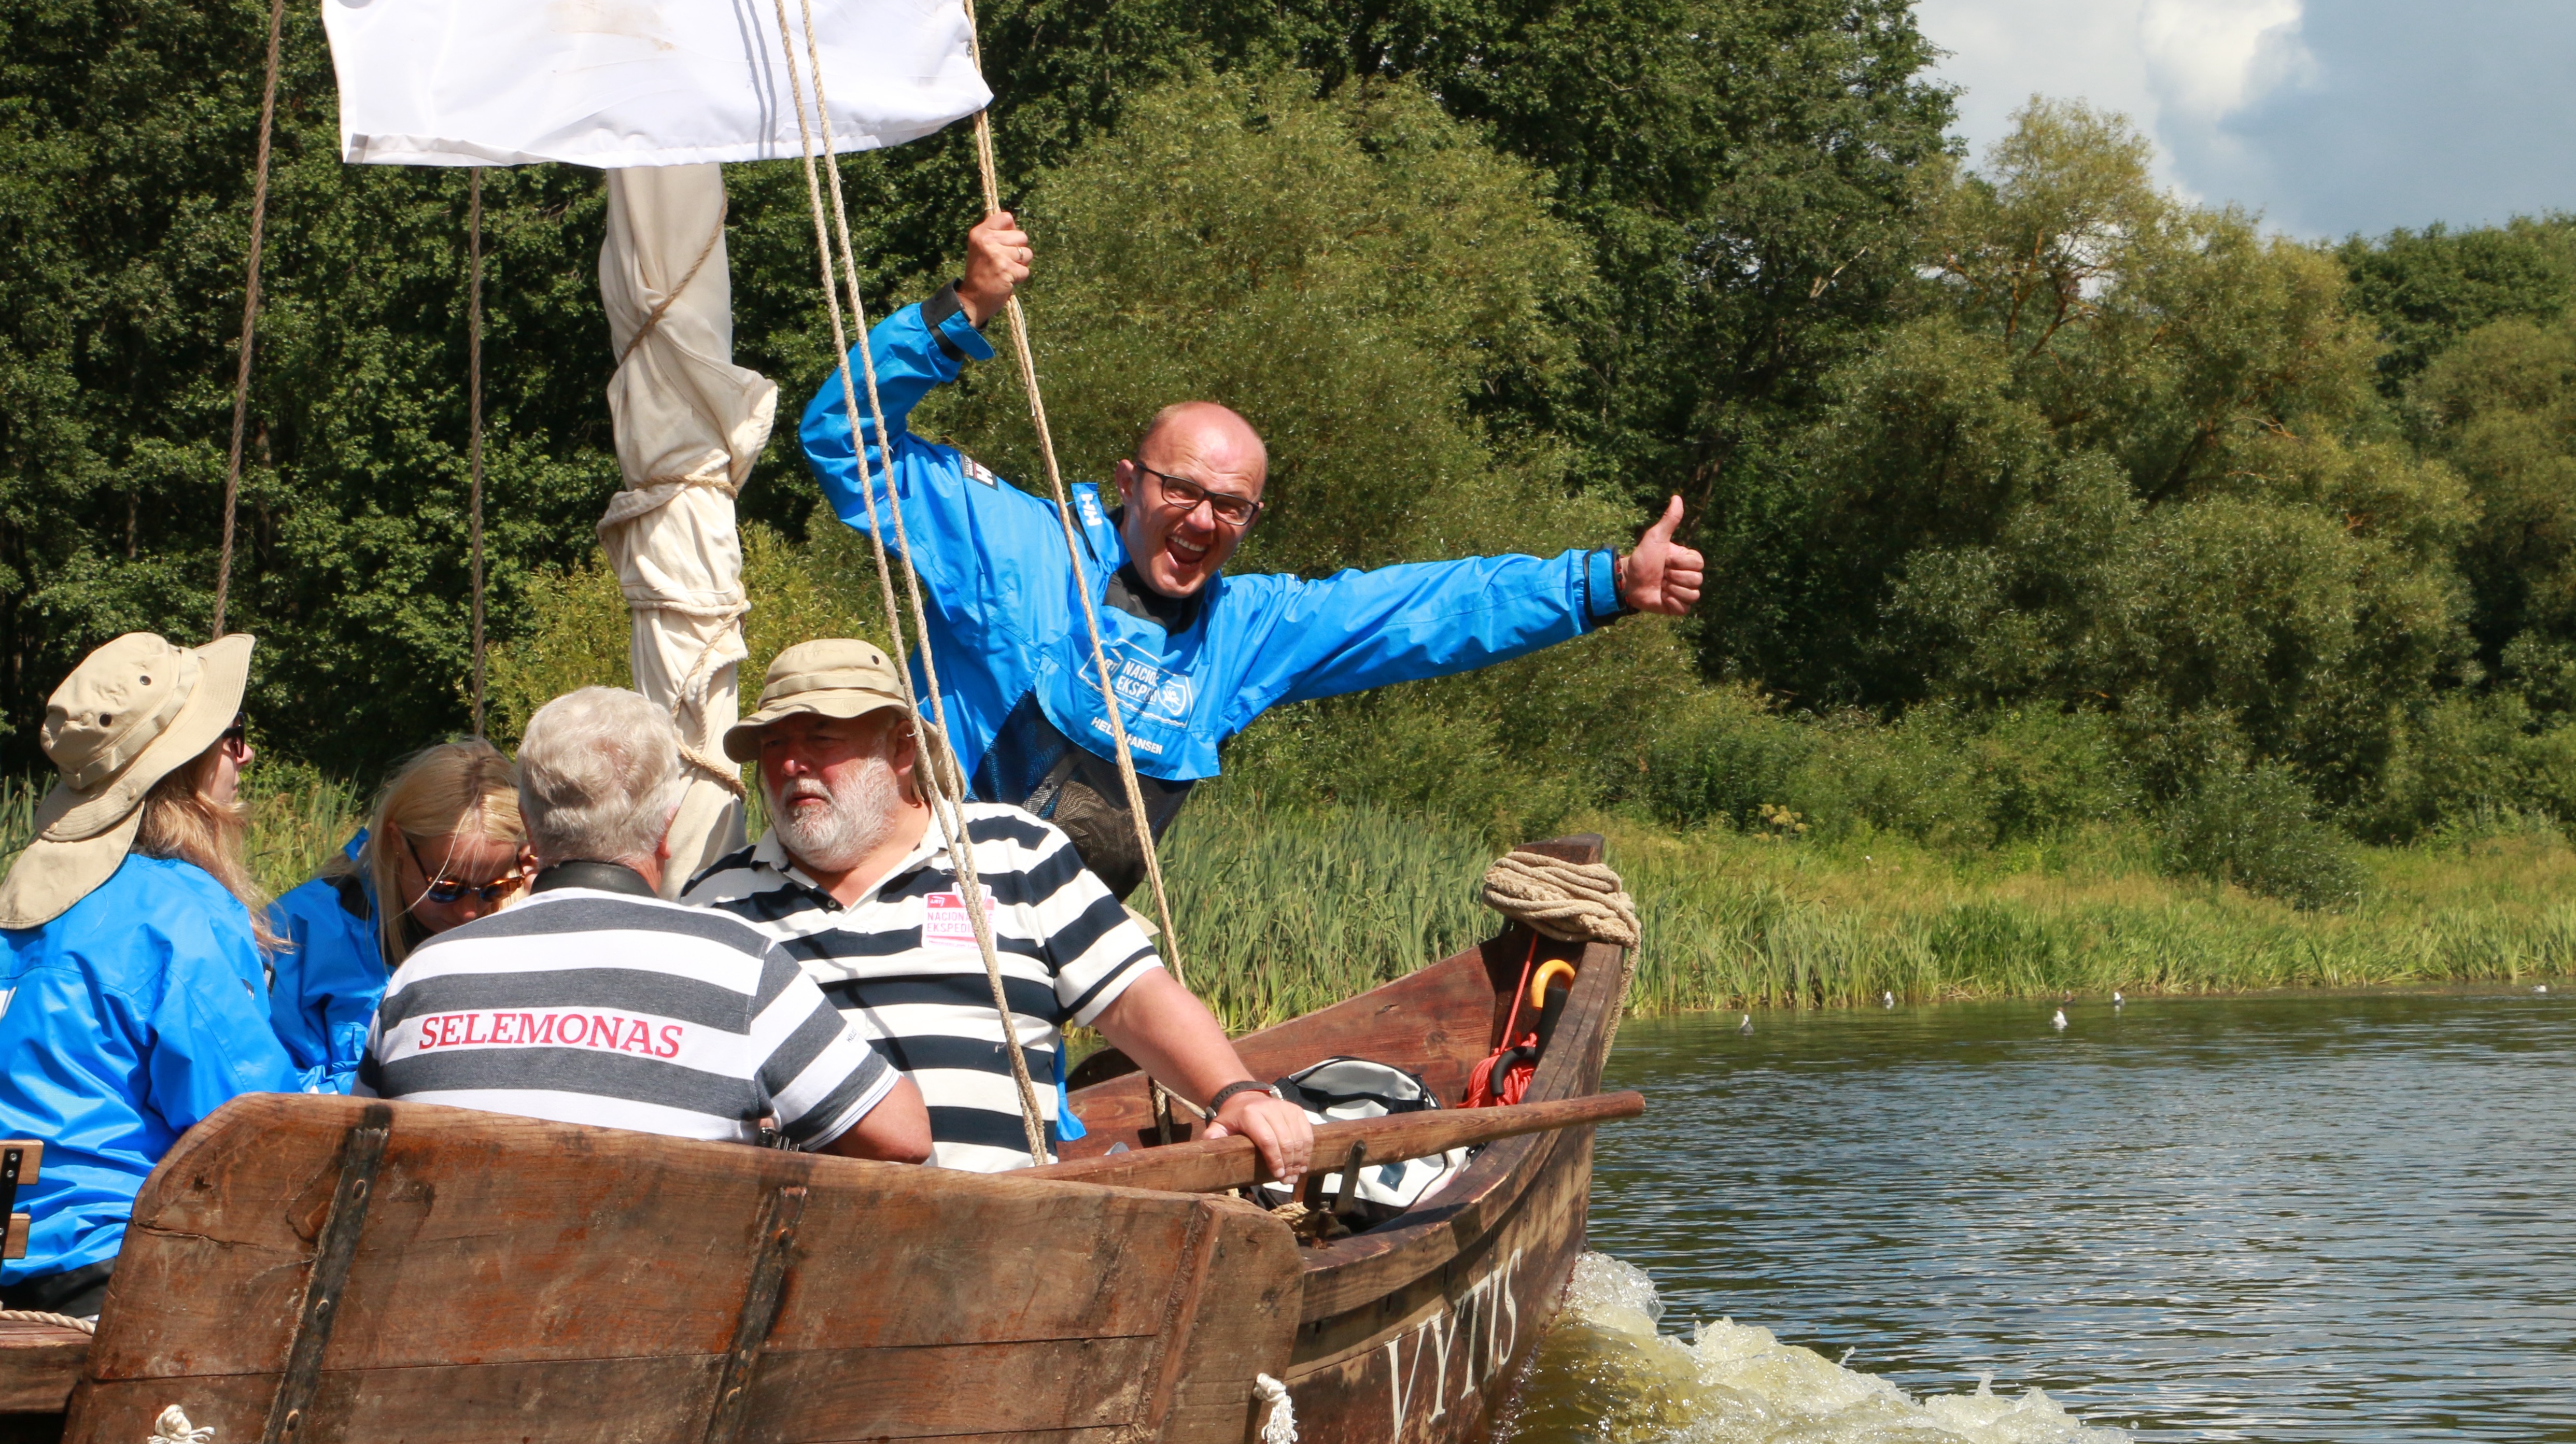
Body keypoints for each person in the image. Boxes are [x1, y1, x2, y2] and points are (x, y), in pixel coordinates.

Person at [791, 210, 1709, 893]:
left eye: (1229, 506)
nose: (1199, 520)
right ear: (1128, 482)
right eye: (1178, 490)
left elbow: (1428, 611)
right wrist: (964, 308)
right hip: (902, 904)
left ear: (1251, 519)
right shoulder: (1014, 547)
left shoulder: (1247, 631)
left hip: (1050, 955)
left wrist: (1603, 584)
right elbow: (842, 436)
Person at [685, 640, 1317, 1179]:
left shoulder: (1015, 852)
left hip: (1001, 1242)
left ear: (902, 749)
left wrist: (1234, 1094)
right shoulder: (718, 901)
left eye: (820, 739)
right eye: (772, 745)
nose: (791, 765)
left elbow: (1132, 997)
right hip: (796, 1243)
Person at [0, 632, 325, 1317]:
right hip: (122, 1282)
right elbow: (255, 1130)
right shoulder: (181, 914)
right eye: (234, 737)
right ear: (194, 764)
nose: (247, 755)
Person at [358, 685, 932, 1161]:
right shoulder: (739, 970)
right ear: (666, 828)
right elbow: (903, 1139)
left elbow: (360, 1147)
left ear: (530, 829)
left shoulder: (421, 977)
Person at [268, 739, 530, 1085]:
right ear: (398, 842)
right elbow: (270, 1085)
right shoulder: (295, 934)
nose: (470, 913)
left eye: (494, 888)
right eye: (447, 888)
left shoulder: (530, 928)